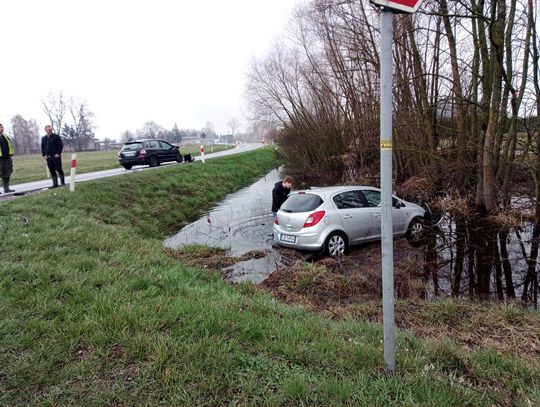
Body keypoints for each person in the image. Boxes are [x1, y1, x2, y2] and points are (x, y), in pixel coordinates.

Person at [0, 123, 15, 193]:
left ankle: (6, 188)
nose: (1, 129)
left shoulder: (5, 136)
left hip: (7, 158)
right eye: (0, 127)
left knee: (7, 173)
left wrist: (11, 154)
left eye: (2, 127)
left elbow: (10, 146)